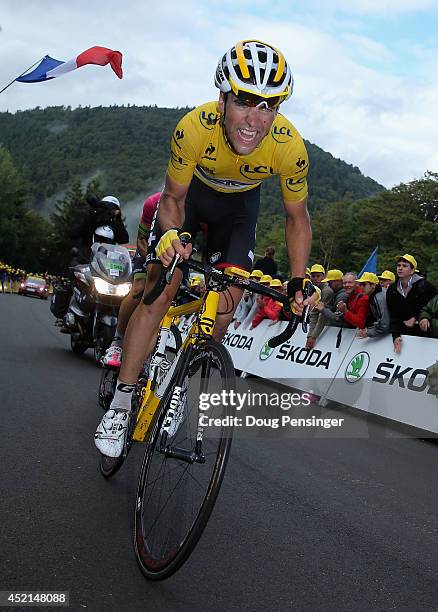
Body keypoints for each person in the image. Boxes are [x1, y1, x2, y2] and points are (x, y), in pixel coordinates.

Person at [95, 39, 316, 458]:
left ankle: (180, 383)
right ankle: (121, 405)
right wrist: (169, 237)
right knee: (159, 289)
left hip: (238, 215)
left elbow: (297, 219)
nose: (255, 119)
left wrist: (299, 280)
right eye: (245, 102)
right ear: (222, 98)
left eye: (268, 106)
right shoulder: (194, 128)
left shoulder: (289, 148)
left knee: (227, 300)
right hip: (191, 204)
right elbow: (173, 200)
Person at [103, 192, 161, 368]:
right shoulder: (153, 202)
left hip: (178, 254)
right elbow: (141, 240)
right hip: (150, 249)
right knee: (138, 290)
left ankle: (144, 358)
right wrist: (151, 264)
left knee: (162, 304)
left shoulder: (200, 206)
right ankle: (117, 343)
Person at [386, 254, 437, 353]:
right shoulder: (392, 290)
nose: (400, 268)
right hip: (405, 334)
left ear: (412, 270)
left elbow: (433, 307)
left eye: (404, 266)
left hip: (427, 334)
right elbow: (393, 315)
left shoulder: (425, 286)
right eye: (398, 265)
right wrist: (396, 336)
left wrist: (417, 317)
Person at [356, 272, 390, 338]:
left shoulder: (379, 298)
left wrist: (368, 332)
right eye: (360, 284)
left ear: (373, 285)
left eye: (364, 284)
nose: (361, 287)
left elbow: (385, 325)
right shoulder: (375, 294)